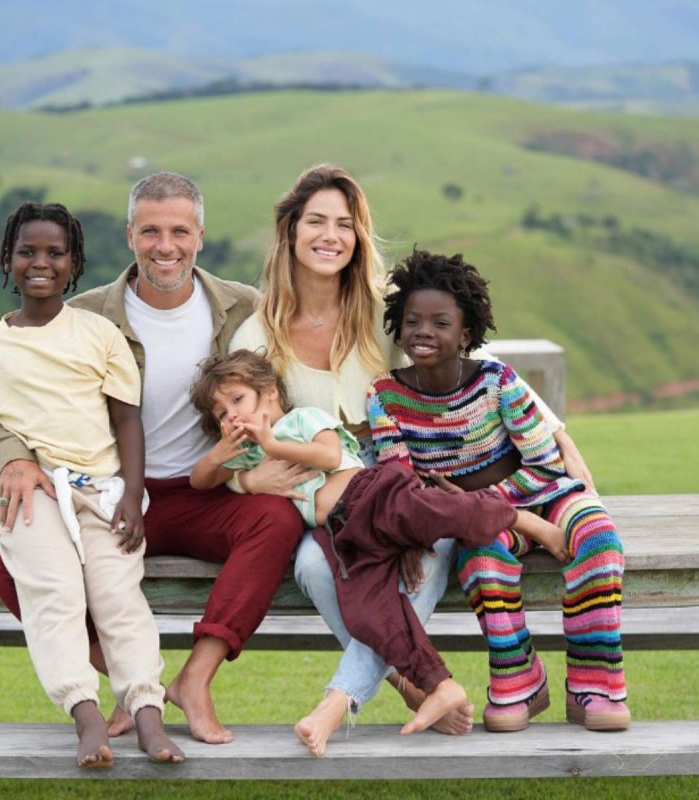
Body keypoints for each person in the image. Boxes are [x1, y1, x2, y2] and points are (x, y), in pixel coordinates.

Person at [228, 164, 594, 744]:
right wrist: (251, 483)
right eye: (316, 221)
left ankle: (345, 701)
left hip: (415, 476)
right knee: (312, 567)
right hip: (326, 493)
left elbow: (469, 358)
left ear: (358, 237)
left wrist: (557, 429)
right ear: (290, 231)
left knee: (422, 561)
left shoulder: (383, 308)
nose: (330, 235)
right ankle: (413, 678)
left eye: (345, 224)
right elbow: (238, 425)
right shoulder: (256, 334)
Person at [0, 174, 304, 745]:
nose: (165, 245)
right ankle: (125, 680)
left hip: (208, 492)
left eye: (180, 230)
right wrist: (13, 459)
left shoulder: (243, 309)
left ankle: (195, 679)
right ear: (130, 235)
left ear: (200, 235)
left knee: (276, 522)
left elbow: (282, 388)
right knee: (3, 564)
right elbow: (9, 403)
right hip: (108, 496)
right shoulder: (82, 314)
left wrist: (278, 457)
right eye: (150, 230)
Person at [188, 349, 567, 756]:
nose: (231, 416)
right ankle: (438, 683)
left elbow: (329, 456)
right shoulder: (248, 455)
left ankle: (522, 520)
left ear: (270, 395)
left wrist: (273, 444)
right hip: (345, 535)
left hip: (371, 495)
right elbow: (199, 481)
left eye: (238, 400)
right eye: (221, 413)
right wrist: (221, 457)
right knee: (372, 612)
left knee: (441, 511)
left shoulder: (300, 421)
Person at [0, 202, 184, 768]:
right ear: (8, 259)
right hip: (29, 494)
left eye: (55, 253)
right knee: (55, 592)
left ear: (74, 264)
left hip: (101, 490)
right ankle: (87, 716)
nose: (40, 263)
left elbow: (127, 421)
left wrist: (132, 494)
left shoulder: (99, 335)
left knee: (118, 595)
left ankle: (148, 715)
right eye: (27, 252)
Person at [369, 249, 630, 733]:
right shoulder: (385, 396)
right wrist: (429, 524)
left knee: (598, 539)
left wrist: (479, 503)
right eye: (412, 321)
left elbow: (546, 465)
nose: (423, 331)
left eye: (440, 322)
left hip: (548, 497)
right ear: (398, 328)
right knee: (482, 557)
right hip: (475, 522)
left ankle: (594, 684)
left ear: (466, 334)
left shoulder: (497, 381)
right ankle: (519, 680)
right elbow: (399, 481)